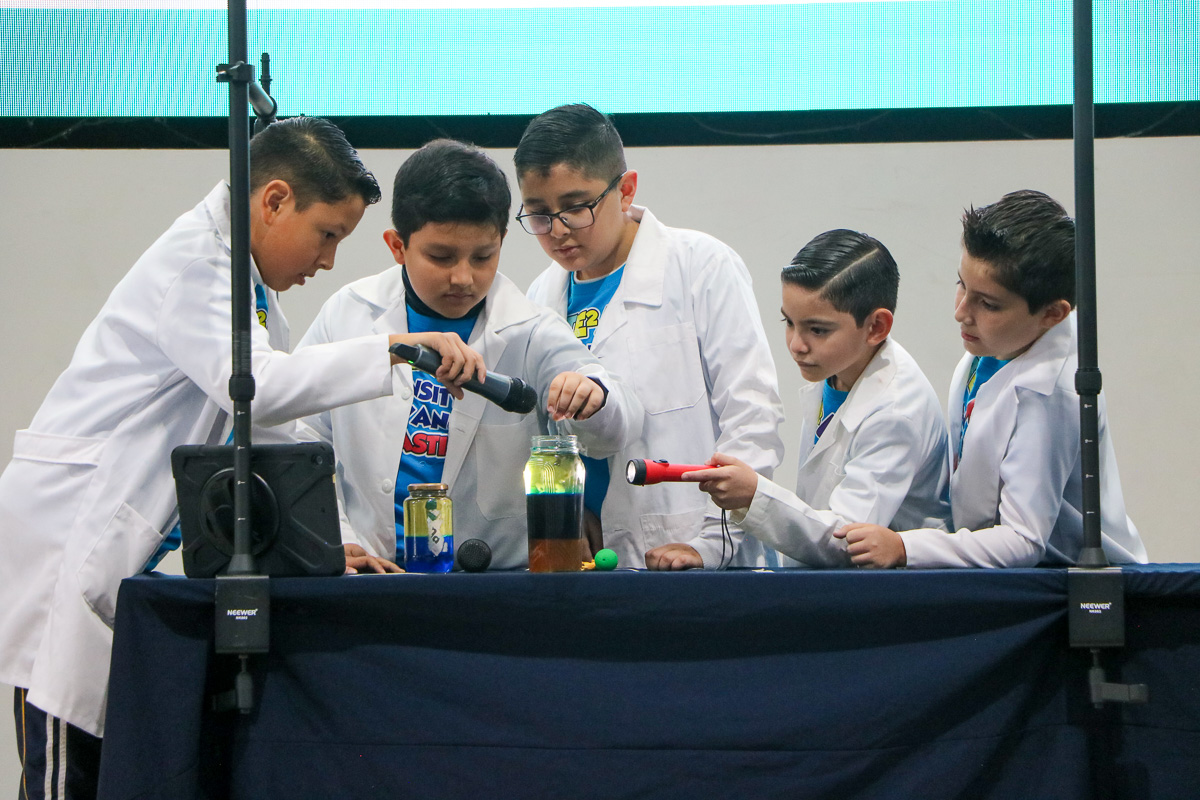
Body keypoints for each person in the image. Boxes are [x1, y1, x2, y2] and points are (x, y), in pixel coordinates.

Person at [0, 116, 430, 792]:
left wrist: (334, 540)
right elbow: (258, 386)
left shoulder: (248, 286)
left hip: (110, 543)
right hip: (67, 533)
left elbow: (274, 434)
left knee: (106, 765)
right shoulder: (197, 264)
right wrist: (396, 348)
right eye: (328, 235)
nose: (327, 261)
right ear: (275, 200)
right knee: (64, 771)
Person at [295, 139, 640, 569]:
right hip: (370, 570)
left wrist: (594, 396)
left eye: (483, 256)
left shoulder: (530, 330)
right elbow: (300, 439)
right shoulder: (347, 314)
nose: (463, 277)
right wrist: (338, 539)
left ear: (502, 241)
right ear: (397, 245)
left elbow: (616, 426)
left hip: (494, 582)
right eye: (441, 257)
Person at [516, 103, 785, 570]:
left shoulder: (700, 266)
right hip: (592, 560)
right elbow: (546, 435)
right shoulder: (541, 296)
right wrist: (567, 515)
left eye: (576, 208)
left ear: (626, 190)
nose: (557, 231)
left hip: (699, 550)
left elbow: (752, 414)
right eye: (539, 214)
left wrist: (712, 542)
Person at [838, 190, 1148, 568]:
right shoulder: (998, 345)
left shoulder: (1051, 394)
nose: (961, 312)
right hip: (1008, 572)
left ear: (1052, 314)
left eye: (988, 303)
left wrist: (906, 548)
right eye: (961, 285)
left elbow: (1022, 540)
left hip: (1071, 585)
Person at [681, 230, 950, 566]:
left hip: (901, 588)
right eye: (789, 322)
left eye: (818, 330)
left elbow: (848, 542)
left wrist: (754, 496)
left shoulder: (896, 410)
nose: (796, 344)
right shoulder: (840, 372)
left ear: (876, 327)